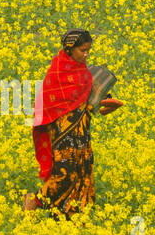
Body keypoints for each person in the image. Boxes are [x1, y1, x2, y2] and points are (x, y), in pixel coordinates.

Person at [24, 30, 122, 218]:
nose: (86, 55)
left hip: (82, 131)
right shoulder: (58, 71)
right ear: (70, 49)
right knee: (64, 173)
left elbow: (91, 98)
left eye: (88, 51)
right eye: (82, 50)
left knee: (82, 171)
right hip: (62, 131)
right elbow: (48, 102)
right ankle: (33, 201)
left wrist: (107, 103)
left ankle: (70, 215)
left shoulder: (85, 72)